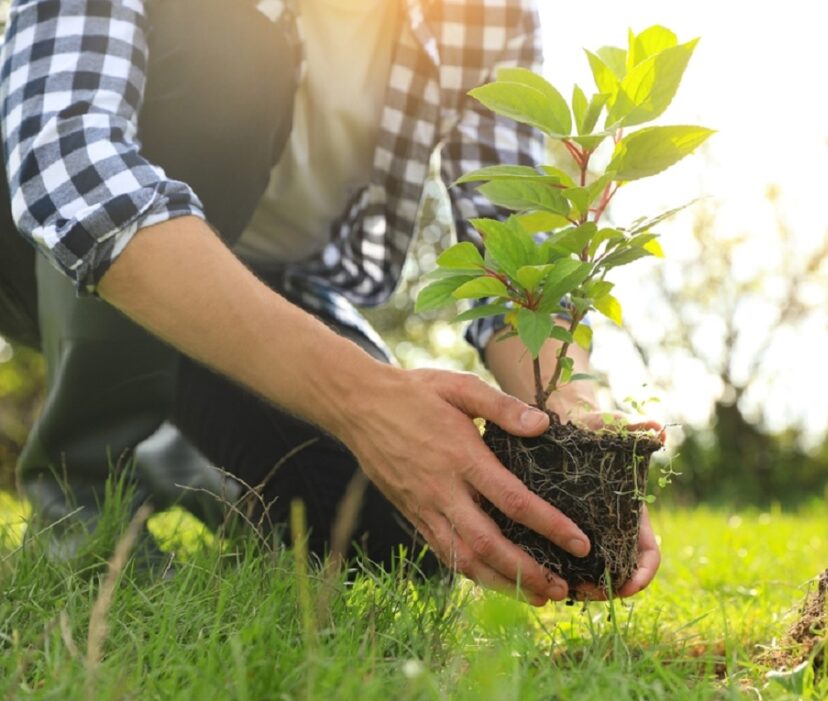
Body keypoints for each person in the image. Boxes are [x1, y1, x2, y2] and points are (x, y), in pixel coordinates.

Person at [0, 0, 659, 604]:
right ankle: (80, 499)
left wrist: (575, 413)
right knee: (225, 54)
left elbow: (510, 247)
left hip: (264, 291)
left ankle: (181, 456)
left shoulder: (483, 14)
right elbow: (70, 165)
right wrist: (364, 400)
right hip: (41, 243)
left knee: (400, 538)